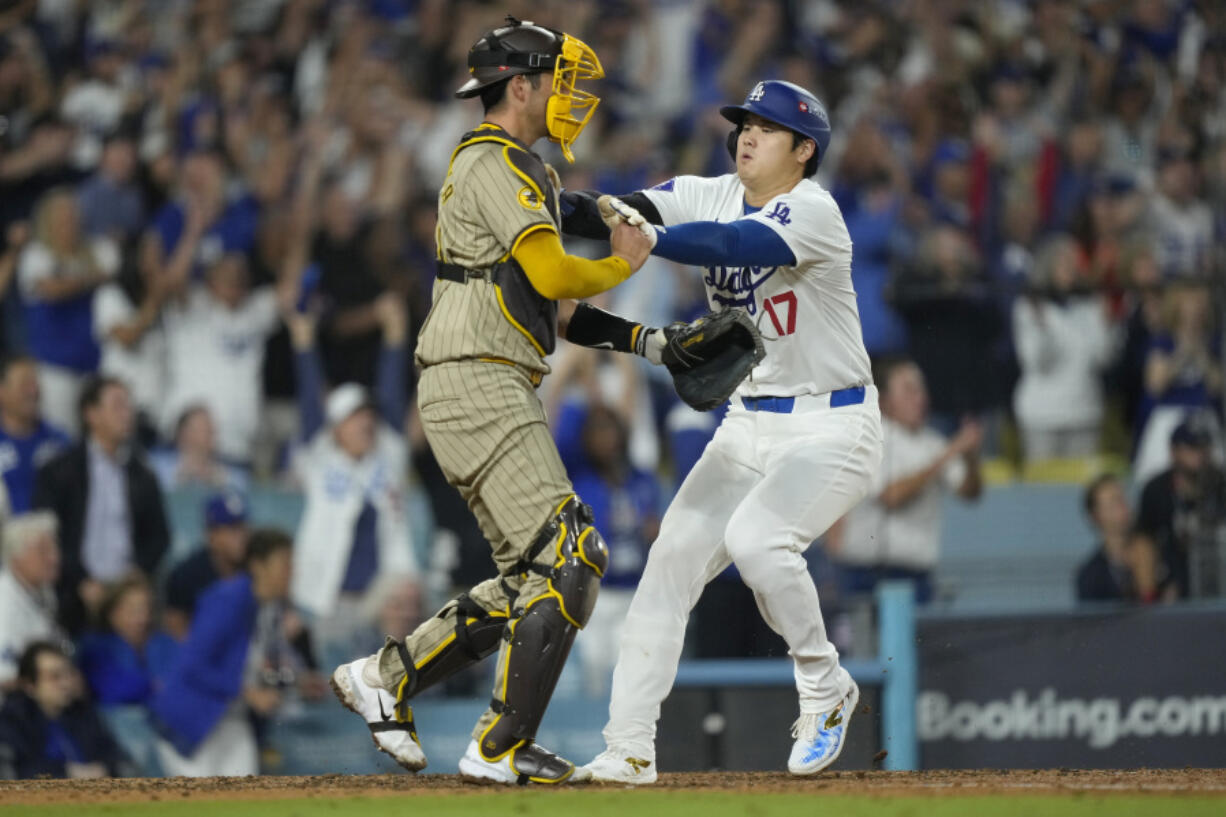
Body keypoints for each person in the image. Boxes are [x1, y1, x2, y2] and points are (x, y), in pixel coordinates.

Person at [329, 17, 652, 786]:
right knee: (573, 554)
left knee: (537, 577)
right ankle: (500, 742)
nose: (568, 94)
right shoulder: (490, 161)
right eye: (556, 79)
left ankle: (387, 677)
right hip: (475, 375)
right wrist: (619, 262)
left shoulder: (518, 167)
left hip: (483, 377)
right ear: (521, 85)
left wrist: (609, 211)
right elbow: (549, 274)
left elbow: (560, 206)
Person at [560, 79, 884, 782]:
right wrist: (535, 206)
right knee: (671, 560)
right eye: (744, 122)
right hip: (749, 422)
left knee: (757, 540)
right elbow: (615, 210)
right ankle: (630, 747)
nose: (747, 133)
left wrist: (649, 238)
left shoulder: (815, 210)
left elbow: (731, 242)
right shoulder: (705, 190)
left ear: (804, 150)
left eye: (767, 127)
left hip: (835, 422)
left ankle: (824, 684)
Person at [287, 296, 419, 641]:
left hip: (380, 600)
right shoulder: (320, 456)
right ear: (336, 427)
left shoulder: (387, 458)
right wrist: (304, 341)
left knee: (409, 599)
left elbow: (390, 395)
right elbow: (309, 402)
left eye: (367, 416)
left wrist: (395, 334)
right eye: (355, 416)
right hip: (328, 598)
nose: (366, 423)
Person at [150, 528, 311, 777]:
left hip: (232, 719)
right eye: (285, 564)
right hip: (193, 717)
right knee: (201, 807)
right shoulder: (228, 599)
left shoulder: (273, 608)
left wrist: (296, 682)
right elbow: (194, 665)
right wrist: (248, 693)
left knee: (245, 802)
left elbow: (257, 666)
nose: (292, 573)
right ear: (258, 565)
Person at [831, 359, 982, 606]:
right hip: (863, 571)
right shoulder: (869, 436)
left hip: (915, 573)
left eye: (921, 389)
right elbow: (891, 496)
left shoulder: (934, 442)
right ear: (886, 400)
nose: (919, 398)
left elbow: (969, 492)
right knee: (859, 643)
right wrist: (949, 454)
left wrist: (970, 456)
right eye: (909, 390)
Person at [32, 376, 169, 635]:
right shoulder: (59, 471)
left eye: (129, 407)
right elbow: (49, 532)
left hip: (126, 594)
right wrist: (81, 581)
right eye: (117, 406)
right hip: (72, 593)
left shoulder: (143, 475)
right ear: (91, 413)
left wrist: (137, 572)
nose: (127, 414)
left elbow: (160, 536)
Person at [17, 188, 120, 434]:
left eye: (73, 216)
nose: (69, 223)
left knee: (100, 440)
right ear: (48, 222)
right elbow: (51, 290)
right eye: (62, 217)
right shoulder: (36, 255)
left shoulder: (98, 248)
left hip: (94, 365)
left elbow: (111, 271)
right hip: (54, 370)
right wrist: (87, 279)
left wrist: (72, 279)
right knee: (62, 438)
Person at [1011, 235, 1113, 460]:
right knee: (1043, 490)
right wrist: (1041, 328)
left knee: (1081, 489)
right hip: (1043, 415)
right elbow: (1035, 361)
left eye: (1074, 263)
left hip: (1084, 412)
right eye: (1064, 263)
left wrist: (1107, 325)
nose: (1071, 269)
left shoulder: (1090, 305)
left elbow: (1103, 358)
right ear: (1049, 266)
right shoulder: (1029, 306)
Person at [0, 641, 134, 779]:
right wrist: (66, 773)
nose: (66, 684)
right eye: (54, 677)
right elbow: (19, 770)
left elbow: (114, 755)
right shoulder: (14, 720)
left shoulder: (82, 712)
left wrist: (104, 768)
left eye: (68, 674)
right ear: (29, 685)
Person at [1135, 416, 1226, 599]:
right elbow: (1143, 543)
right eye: (1192, 448)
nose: (1200, 454)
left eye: (1204, 447)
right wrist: (1149, 595)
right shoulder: (1157, 490)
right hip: (1172, 582)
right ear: (1174, 451)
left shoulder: (1221, 486)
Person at [77, 573, 178, 705]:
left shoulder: (163, 642)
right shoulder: (95, 647)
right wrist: (150, 687)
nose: (142, 618)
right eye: (132, 610)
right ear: (112, 613)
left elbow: (183, 675)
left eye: (146, 609)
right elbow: (111, 687)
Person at [162, 490, 250, 640]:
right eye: (233, 529)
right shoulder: (186, 575)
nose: (242, 536)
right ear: (211, 535)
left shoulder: (253, 570)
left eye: (243, 527)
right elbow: (176, 633)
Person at [0, 511, 67, 688]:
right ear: (16, 556)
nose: (54, 558)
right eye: (43, 551)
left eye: (55, 548)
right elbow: (5, 677)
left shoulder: (45, 592)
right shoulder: (3, 601)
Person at [1075, 474, 1163, 603]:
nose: (1123, 506)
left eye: (1123, 498)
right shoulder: (1090, 576)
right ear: (1096, 516)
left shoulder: (1156, 552)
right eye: (1113, 502)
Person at [0, 355, 68, 513]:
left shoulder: (60, 442)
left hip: (52, 532)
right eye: (24, 384)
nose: (33, 391)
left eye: (35, 383)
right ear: (2, 391)